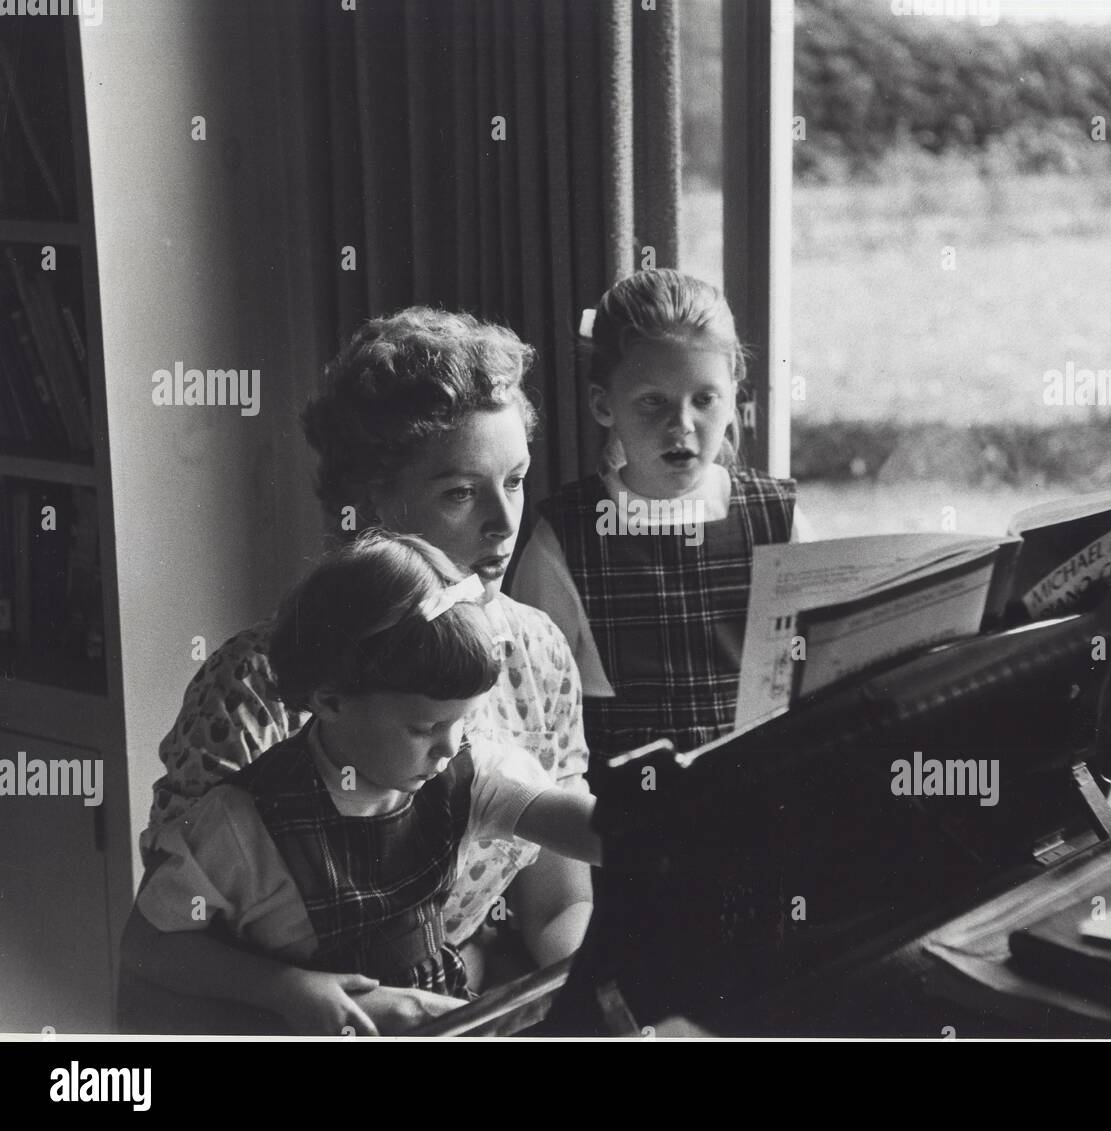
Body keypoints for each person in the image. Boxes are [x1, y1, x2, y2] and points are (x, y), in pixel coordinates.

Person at [126, 308, 592, 1030]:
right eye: (460, 492)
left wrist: (584, 998)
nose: (505, 523)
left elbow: (559, 903)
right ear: (370, 505)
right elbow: (164, 969)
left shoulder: (534, 653)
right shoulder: (256, 691)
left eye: (517, 479)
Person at [129, 533, 601, 1036]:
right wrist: (282, 987)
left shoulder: (468, 772)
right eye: (424, 728)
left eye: (462, 721)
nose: (448, 747)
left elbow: (581, 824)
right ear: (330, 701)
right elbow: (150, 945)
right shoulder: (240, 823)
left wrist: (665, 832)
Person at [511, 268, 811, 773]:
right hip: (630, 823)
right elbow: (534, 720)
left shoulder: (779, 518)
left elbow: (816, 669)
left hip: (763, 799)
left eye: (705, 399)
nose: (682, 425)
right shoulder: (565, 539)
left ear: (734, 393)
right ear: (604, 404)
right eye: (653, 401)